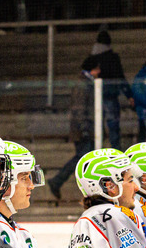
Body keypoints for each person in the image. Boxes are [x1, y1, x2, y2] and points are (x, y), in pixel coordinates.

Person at [51, 55, 101, 203]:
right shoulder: (83, 84)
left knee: (84, 159)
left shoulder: (86, 83)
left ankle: (59, 181)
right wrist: (85, 128)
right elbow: (79, 108)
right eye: (97, 69)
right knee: (82, 159)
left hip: (85, 128)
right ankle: (57, 180)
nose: (99, 72)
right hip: (83, 130)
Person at [91, 30, 133, 150]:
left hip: (96, 96)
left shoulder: (92, 58)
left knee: (97, 125)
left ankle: (96, 151)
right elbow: (120, 77)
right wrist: (129, 94)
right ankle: (116, 151)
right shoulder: (113, 58)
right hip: (110, 95)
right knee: (113, 124)